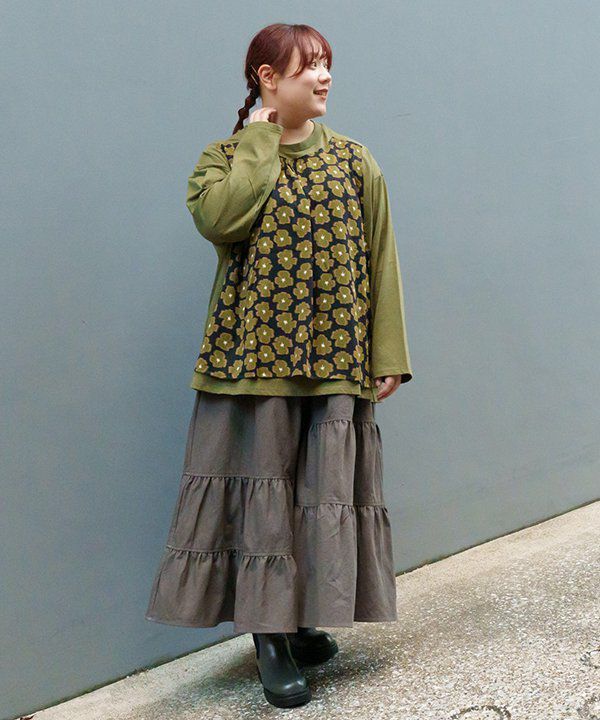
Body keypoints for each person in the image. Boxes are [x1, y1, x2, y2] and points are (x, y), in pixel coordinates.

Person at [145, 22, 413, 708]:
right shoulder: (222, 160)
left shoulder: (355, 161)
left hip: (335, 360)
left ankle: (298, 620)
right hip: (253, 364)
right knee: (264, 499)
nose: (325, 77)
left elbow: (380, 257)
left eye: (327, 65)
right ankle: (268, 636)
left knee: (319, 493)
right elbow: (222, 220)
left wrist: (388, 353)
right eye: (308, 67)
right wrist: (260, 142)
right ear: (267, 78)